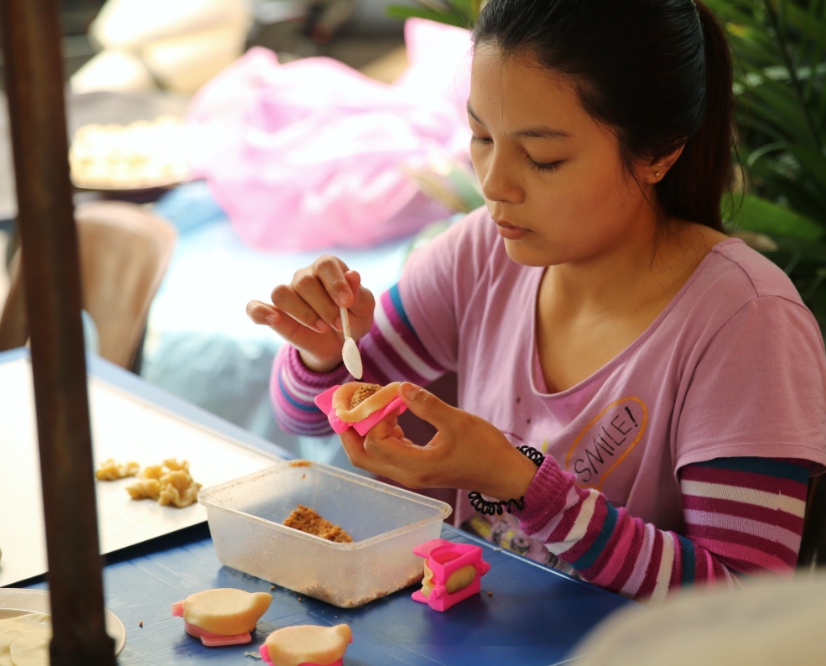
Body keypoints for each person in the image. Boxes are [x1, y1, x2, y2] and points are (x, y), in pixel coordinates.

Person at [246, 0, 826, 601]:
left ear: (658, 151)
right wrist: (323, 356)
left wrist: (517, 480)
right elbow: (308, 417)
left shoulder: (745, 322)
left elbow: (745, 608)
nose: (494, 184)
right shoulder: (481, 253)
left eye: (543, 158)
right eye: (480, 136)